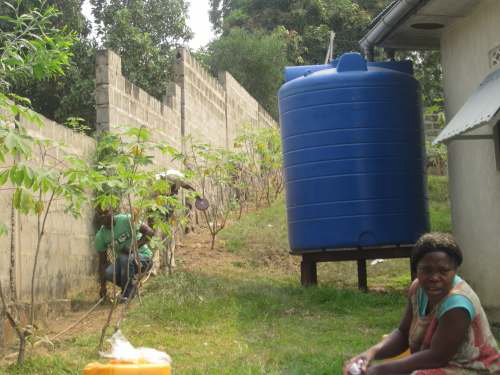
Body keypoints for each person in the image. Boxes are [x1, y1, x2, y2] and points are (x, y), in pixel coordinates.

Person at [344, 232, 500, 375]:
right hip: (440, 364)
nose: (434, 277)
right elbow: (403, 333)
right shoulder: (418, 288)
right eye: (426, 270)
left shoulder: (457, 304)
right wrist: (370, 353)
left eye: (443, 271)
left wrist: (378, 371)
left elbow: (437, 357)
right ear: (416, 271)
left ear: (455, 271)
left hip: (473, 369)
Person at [95, 208, 154, 301]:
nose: (104, 216)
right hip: (124, 262)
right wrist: (103, 287)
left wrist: (134, 248)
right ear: (98, 218)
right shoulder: (101, 236)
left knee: (124, 258)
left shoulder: (126, 220)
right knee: (109, 273)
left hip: (143, 258)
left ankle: (127, 295)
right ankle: (131, 286)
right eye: (100, 215)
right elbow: (102, 263)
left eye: (106, 212)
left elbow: (149, 232)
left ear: (112, 211)